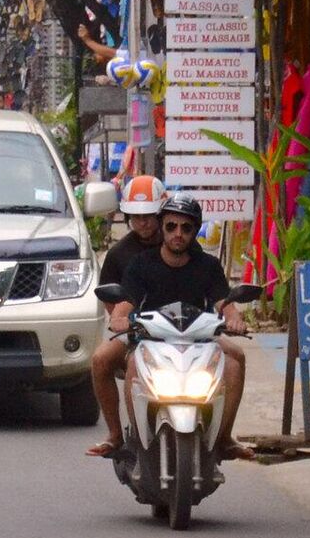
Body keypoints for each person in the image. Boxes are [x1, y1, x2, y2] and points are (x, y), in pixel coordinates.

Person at [105, 194, 251, 465]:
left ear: (195, 231)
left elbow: (224, 302)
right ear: (162, 227)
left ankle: (224, 438)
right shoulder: (141, 264)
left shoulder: (207, 265)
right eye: (171, 226)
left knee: (236, 359)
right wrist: (120, 317)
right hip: (149, 338)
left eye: (186, 228)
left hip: (199, 339)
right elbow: (126, 300)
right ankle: (126, 439)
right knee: (114, 361)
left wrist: (234, 318)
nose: (178, 234)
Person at [84, 175, 164, 458]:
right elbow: (110, 299)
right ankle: (118, 435)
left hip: (182, 333)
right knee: (101, 359)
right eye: (136, 216)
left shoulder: (180, 243)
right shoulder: (120, 254)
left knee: (229, 358)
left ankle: (219, 437)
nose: (143, 222)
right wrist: (122, 322)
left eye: (149, 215)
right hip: (138, 336)